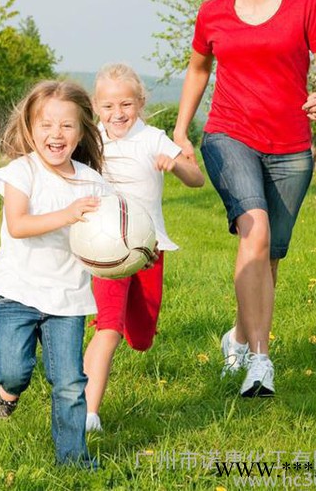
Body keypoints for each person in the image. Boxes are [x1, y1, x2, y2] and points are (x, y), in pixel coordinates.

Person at [173, 0, 316, 398]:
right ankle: (260, 363)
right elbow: (198, 71)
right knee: (256, 228)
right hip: (229, 135)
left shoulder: (305, 4)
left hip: (290, 146)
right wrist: (182, 130)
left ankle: (239, 335)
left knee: (267, 256)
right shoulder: (213, 12)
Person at [0, 80, 111, 468]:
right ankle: (7, 391)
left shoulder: (91, 181)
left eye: (67, 126)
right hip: (17, 291)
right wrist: (69, 213)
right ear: (30, 128)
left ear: (82, 131)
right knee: (14, 369)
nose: (56, 134)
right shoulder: (22, 172)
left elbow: (113, 230)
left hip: (68, 296)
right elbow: (18, 224)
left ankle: (73, 461)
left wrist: (134, 253)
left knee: (70, 383)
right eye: (46, 125)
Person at [83, 63, 204, 432]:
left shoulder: (153, 138)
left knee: (141, 336)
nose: (117, 114)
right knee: (108, 328)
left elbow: (197, 179)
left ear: (139, 103)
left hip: (148, 251)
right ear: (95, 106)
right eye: (107, 106)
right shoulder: (91, 141)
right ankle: (86, 414)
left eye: (125, 105)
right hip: (104, 250)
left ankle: (125, 332)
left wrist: (176, 166)